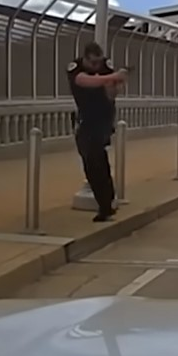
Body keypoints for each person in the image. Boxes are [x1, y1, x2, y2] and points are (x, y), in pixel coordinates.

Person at [67, 42, 128, 223]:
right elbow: (82, 81)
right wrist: (110, 77)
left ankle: (105, 204)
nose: (96, 66)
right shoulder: (75, 67)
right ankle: (106, 202)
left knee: (95, 160)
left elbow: (112, 94)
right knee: (93, 160)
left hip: (103, 118)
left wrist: (115, 82)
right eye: (93, 63)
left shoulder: (105, 65)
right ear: (85, 58)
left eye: (98, 62)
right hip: (86, 118)